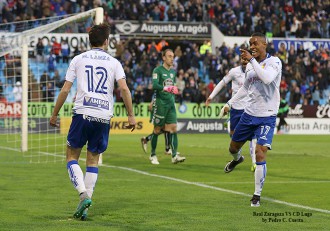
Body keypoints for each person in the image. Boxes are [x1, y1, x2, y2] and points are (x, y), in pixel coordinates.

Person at [49, 23, 136, 220]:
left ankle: (83, 194)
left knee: (72, 156)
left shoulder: (78, 60)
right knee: (93, 160)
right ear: (106, 41)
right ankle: (85, 207)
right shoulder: (114, 63)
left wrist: (55, 114)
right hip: (103, 116)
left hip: (82, 112)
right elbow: (124, 89)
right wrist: (131, 115)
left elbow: (65, 90)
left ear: (90, 41)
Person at [219, 32, 282, 207]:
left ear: (264, 44)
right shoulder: (249, 67)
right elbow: (245, 88)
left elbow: (268, 78)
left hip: (267, 116)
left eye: (255, 43)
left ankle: (256, 195)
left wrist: (252, 61)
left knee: (260, 152)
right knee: (233, 147)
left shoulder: (274, 62)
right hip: (248, 114)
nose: (252, 46)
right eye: (250, 44)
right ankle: (237, 159)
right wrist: (229, 104)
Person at [205, 54, 257, 172]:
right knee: (234, 139)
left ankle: (254, 163)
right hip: (235, 109)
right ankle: (237, 159)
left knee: (253, 136)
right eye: (242, 58)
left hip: (249, 109)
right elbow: (222, 83)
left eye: (246, 58)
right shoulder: (234, 72)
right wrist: (211, 96)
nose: (244, 60)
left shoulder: (255, 72)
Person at [148, 48, 185, 165]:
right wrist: (167, 88)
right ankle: (152, 154)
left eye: (173, 56)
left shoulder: (173, 72)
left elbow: (171, 86)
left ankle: (174, 156)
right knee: (157, 130)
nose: (172, 58)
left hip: (170, 103)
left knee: (173, 128)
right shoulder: (157, 70)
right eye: (169, 56)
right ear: (163, 57)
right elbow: (154, 85)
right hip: (160, 104)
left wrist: (173, 90)